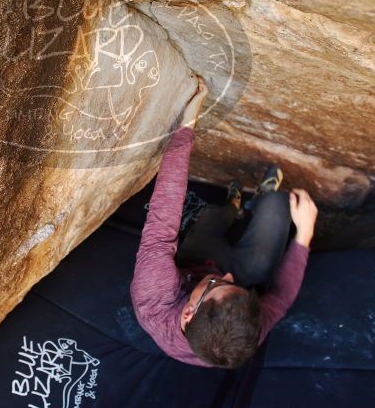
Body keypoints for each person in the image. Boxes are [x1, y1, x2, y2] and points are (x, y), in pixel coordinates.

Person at [130, 79, 318, 368]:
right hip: (222, 274)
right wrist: (304, 234)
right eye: (236, 288)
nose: (228, 275)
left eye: (220, 284)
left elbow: (164, 212)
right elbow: (280, 299)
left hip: (194, 263)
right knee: (278, 206)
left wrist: (186, 122)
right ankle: (259, 201)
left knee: (213, 218)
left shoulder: (154, 296)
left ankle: (231, 207)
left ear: (188, 312)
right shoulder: (246, 333)